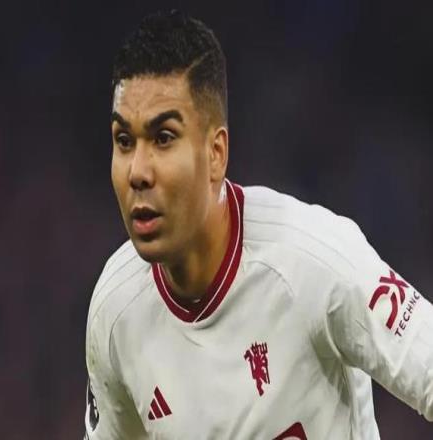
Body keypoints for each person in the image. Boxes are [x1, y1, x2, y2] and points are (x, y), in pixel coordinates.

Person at [84, 10, 433, 439]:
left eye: (164, 138)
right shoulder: (115, 312)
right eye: (124, 141)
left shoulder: (313, 260)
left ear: (216, 154)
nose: (138, 171)